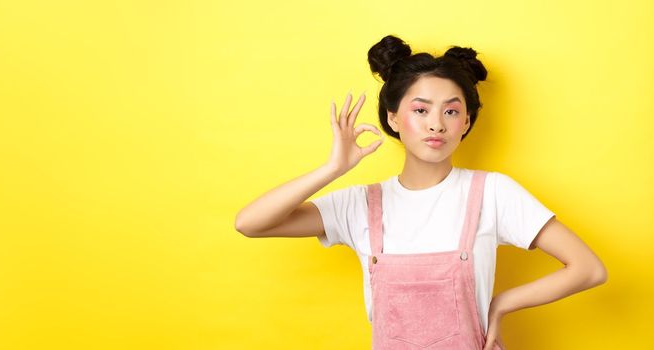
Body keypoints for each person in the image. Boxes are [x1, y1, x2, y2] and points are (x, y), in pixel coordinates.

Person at [234, 35, 608, 349]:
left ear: (466, 122)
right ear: (394, 118)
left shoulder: (492, 192)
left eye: (450, 112)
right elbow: (250, 224)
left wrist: (501, 304)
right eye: (420, 110)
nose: (436, 125)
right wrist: (333, 169)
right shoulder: (360, 204)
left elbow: (589, 269)